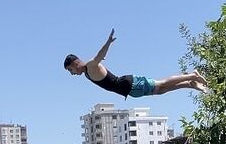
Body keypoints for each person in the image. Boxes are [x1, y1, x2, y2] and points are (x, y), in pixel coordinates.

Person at [64, 29, 208, 99]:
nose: (72, 73)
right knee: (161, 90)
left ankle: (192, 76)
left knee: (162, 83)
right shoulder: (87, 74)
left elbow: (99, 57)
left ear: (76, 63)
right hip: (129, 89)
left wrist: (108, 43)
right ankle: (189, 84)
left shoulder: (90, 66)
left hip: (129, 84)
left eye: (71, 70)